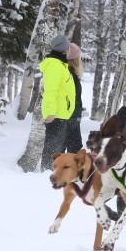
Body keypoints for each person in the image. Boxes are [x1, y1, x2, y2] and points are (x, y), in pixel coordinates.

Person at [39, 34, 76, 170]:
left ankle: (51, 172)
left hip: (61, 113)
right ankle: (46, 172)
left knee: (57, 148)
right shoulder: (55, 65)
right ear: (64, 49)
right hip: (56, 114)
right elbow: (50, 90)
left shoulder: (60, 64)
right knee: (53, 148)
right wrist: (50, 112)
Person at [64, 43, 84, 153]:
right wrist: (75, 117)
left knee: (63, 145)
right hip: (70, 117)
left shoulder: (67, 73)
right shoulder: (71, 75)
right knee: (75, 148)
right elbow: (73, 98)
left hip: (67, 116)